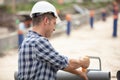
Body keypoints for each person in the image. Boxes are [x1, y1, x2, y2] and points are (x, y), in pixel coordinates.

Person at [17, 1, 90, 80]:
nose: (54, 29)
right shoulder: (39, 42)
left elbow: (56, 62)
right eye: (54, 23)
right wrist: (82, 61)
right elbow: (65, 63)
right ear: (46, 21)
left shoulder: (27, 41)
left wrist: (79, 73)